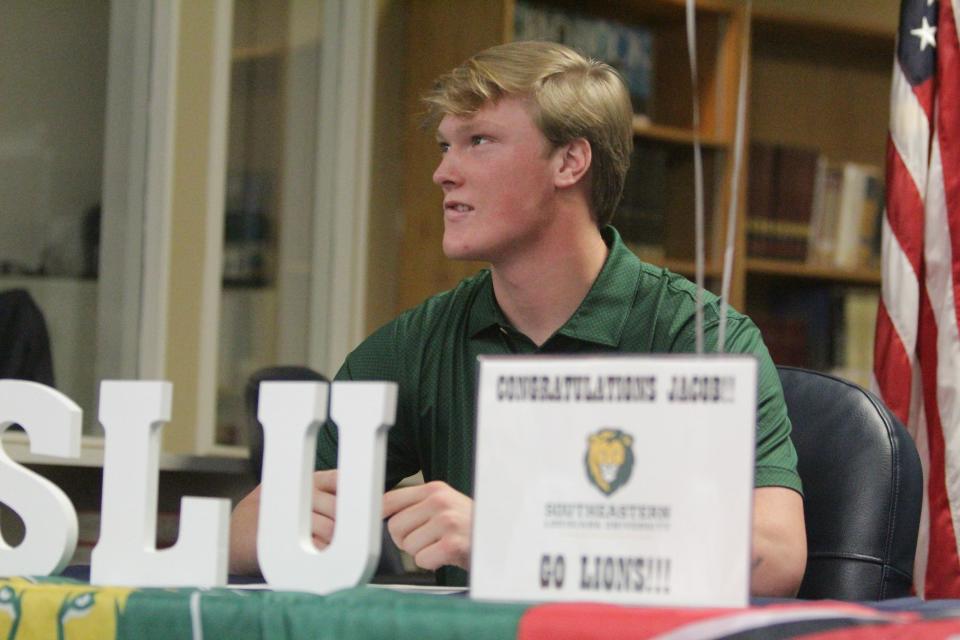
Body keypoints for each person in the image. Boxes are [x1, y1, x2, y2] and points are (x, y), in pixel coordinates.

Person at [229, 40, 807, 596]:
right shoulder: (421, 341)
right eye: (444, 146)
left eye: (479, 141)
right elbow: (250, 530)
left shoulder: (700, 335)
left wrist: (511, 538)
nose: (444, 173)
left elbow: (776, 559)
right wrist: (270, 528)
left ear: (570, 161)